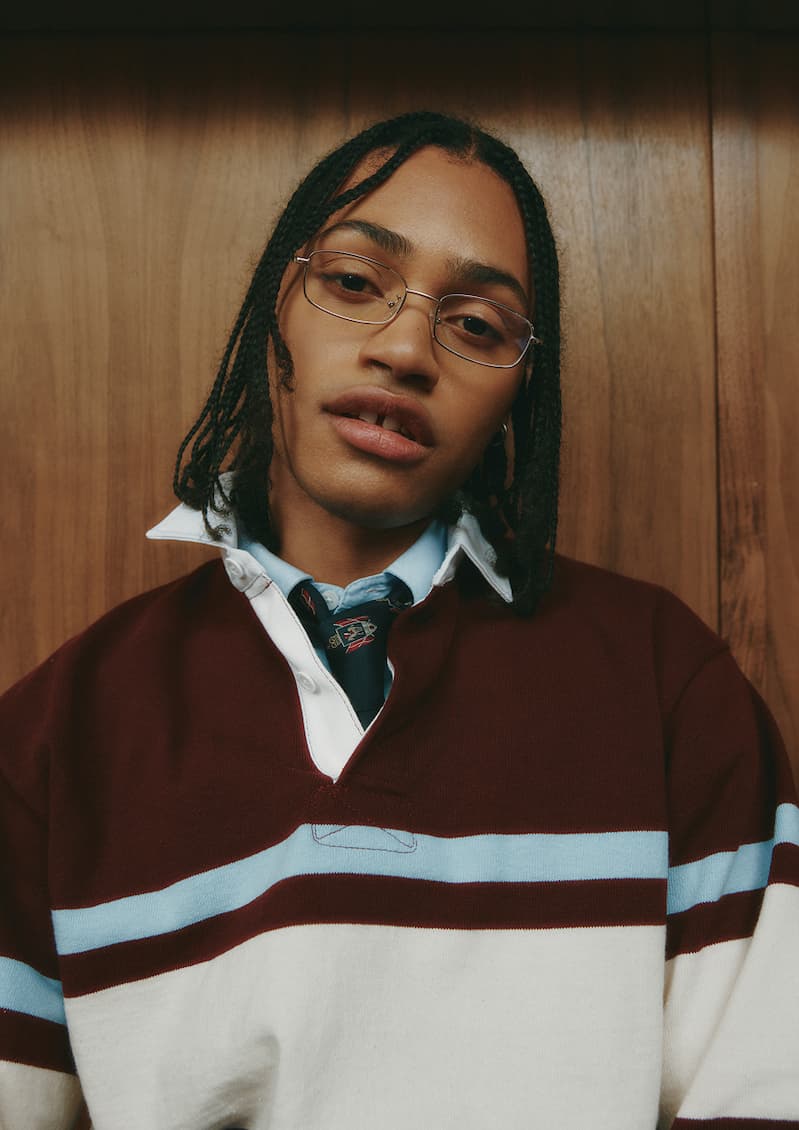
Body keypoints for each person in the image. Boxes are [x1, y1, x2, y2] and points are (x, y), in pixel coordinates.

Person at [0, 111, 797, 1130]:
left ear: (518, 390)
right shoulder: (58, 736)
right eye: (352, 281)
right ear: (276, 305)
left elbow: (768, 1086)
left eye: (477, 325)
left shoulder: (661, 679)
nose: (406, 346)